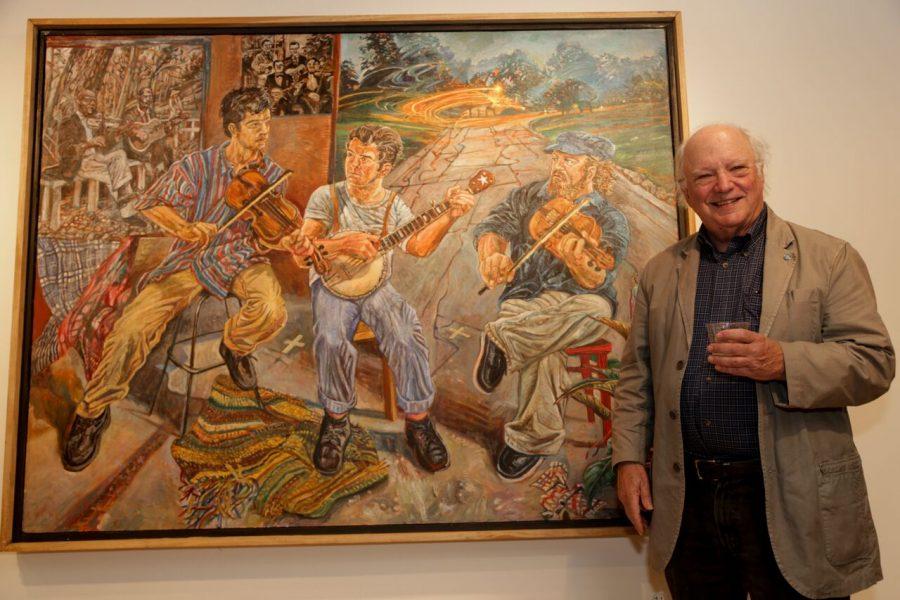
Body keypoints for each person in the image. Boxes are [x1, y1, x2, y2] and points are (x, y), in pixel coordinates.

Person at [612, 124, 894, 599]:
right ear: (685, 192)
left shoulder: (830, 257)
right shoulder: (660, 271)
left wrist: (783, 361)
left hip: (793, 498)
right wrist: (628, 460)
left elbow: (874, 363)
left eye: (737, 168)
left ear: (759, 174)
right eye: (705, 176)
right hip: (691, 505)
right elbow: (635, 378)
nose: (724, 185)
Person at [61, 87, 306, 472]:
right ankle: (93, 411)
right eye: (254, 125)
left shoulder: (273, 175)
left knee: (273, 311)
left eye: (266, 123)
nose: (264, 132)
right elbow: (152, 204)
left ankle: (235, 346)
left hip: (243, 258)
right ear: (232, 129)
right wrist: (187, 228)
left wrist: (285, 237)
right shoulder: (198, 166)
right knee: (131, 328)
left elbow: (265, 232)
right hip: (193, 260)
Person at [298, 124, 474, 475]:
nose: (354, 164)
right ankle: (336, 421)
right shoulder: (326, 197)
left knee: (406, 333)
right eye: (350, 154)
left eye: (366, 159)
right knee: (331, 337)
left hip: (377, 286)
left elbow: (419, 247)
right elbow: (302, 253)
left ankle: (418, 422)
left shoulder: (394, 206)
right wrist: (341, 245)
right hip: (331, 286)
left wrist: (450, 216)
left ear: (384, 168)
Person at [472, 130, 629, 481]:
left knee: (597, 311)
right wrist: (492, 252)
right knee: (544, 351)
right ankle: (532, 440)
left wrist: (577, 263)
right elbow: (492, 226)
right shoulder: (531, 196)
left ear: (592, 169)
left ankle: (504, 341)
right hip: (525, 297)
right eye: (556, 158)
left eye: (569, 161)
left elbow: (599, 278)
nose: (558, 167)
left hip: (578, 302)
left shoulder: (610, 219)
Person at [56, 88, 136, 207]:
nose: (92, 104)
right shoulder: (69, 122)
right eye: (88, 101)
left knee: (120, 154)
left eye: (93, 101)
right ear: (78, 102)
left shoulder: (92, 121)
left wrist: (118, 133)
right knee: (115, 172)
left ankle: (124, 197)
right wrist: (89, 144)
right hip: (78, 163)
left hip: (95, 159)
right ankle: (127, 210)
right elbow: (64, 151)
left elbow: (104, 143)